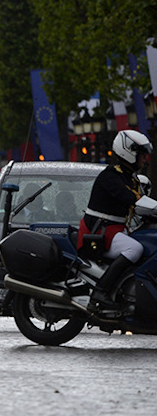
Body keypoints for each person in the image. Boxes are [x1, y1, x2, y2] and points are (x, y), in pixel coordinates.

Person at [78, 129, 153, 309]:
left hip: (112, 230)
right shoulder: (111, 175)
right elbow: (130, 198)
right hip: (99, 231)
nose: (145, 159)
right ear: (129, 151)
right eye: (142, 155)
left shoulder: (129, 178)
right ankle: (100, 291)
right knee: (135, 248)